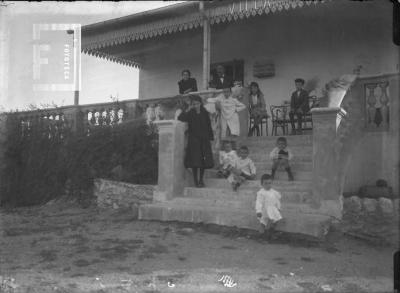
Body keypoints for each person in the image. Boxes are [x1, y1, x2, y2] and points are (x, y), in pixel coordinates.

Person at [178, 95, 214, 187]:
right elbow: (180, 118)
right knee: (195, 161)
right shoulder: (190, 113)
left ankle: (201, 180)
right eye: (194, 104)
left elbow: (208, 125)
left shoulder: (204, 112)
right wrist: (188, 109)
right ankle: (195, 181)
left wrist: (210, 138)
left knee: (203, 162)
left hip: (204, 140)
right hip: (194, 140)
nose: (196, 105)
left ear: (200, 103)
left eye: (197, 104)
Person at [256, 174, 283, 240]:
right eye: (266, 183)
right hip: (265, 210)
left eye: (269, 183)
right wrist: (258, 211)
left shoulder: (274, 192)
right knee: (264, 223)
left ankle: (270, 233)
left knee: (275, 221)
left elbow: (277, 201)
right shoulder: (261, 193)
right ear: (262, 184)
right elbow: (259, 202)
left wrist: (278, 208)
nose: (268, 185)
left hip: (273, 209)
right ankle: (262, 236)